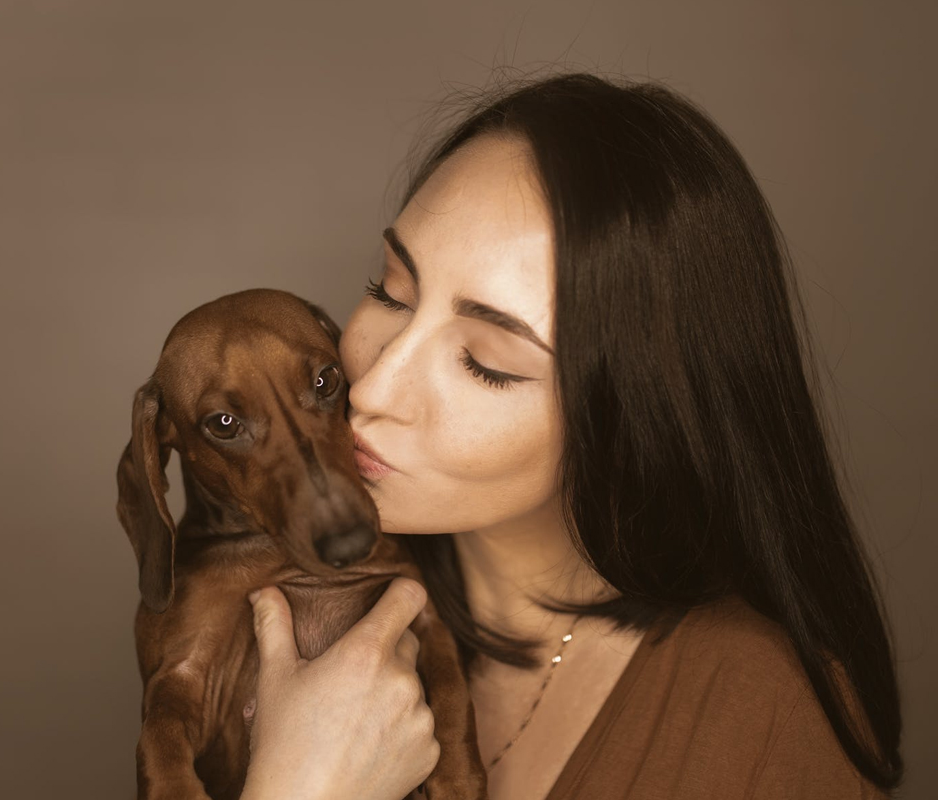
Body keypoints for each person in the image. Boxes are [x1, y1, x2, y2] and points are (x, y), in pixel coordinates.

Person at [239, 72, 903, 800]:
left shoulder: (760, 716)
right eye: (390, 292)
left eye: (485, 364)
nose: (371, 388)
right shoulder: (263, 614)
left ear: (629, 419)